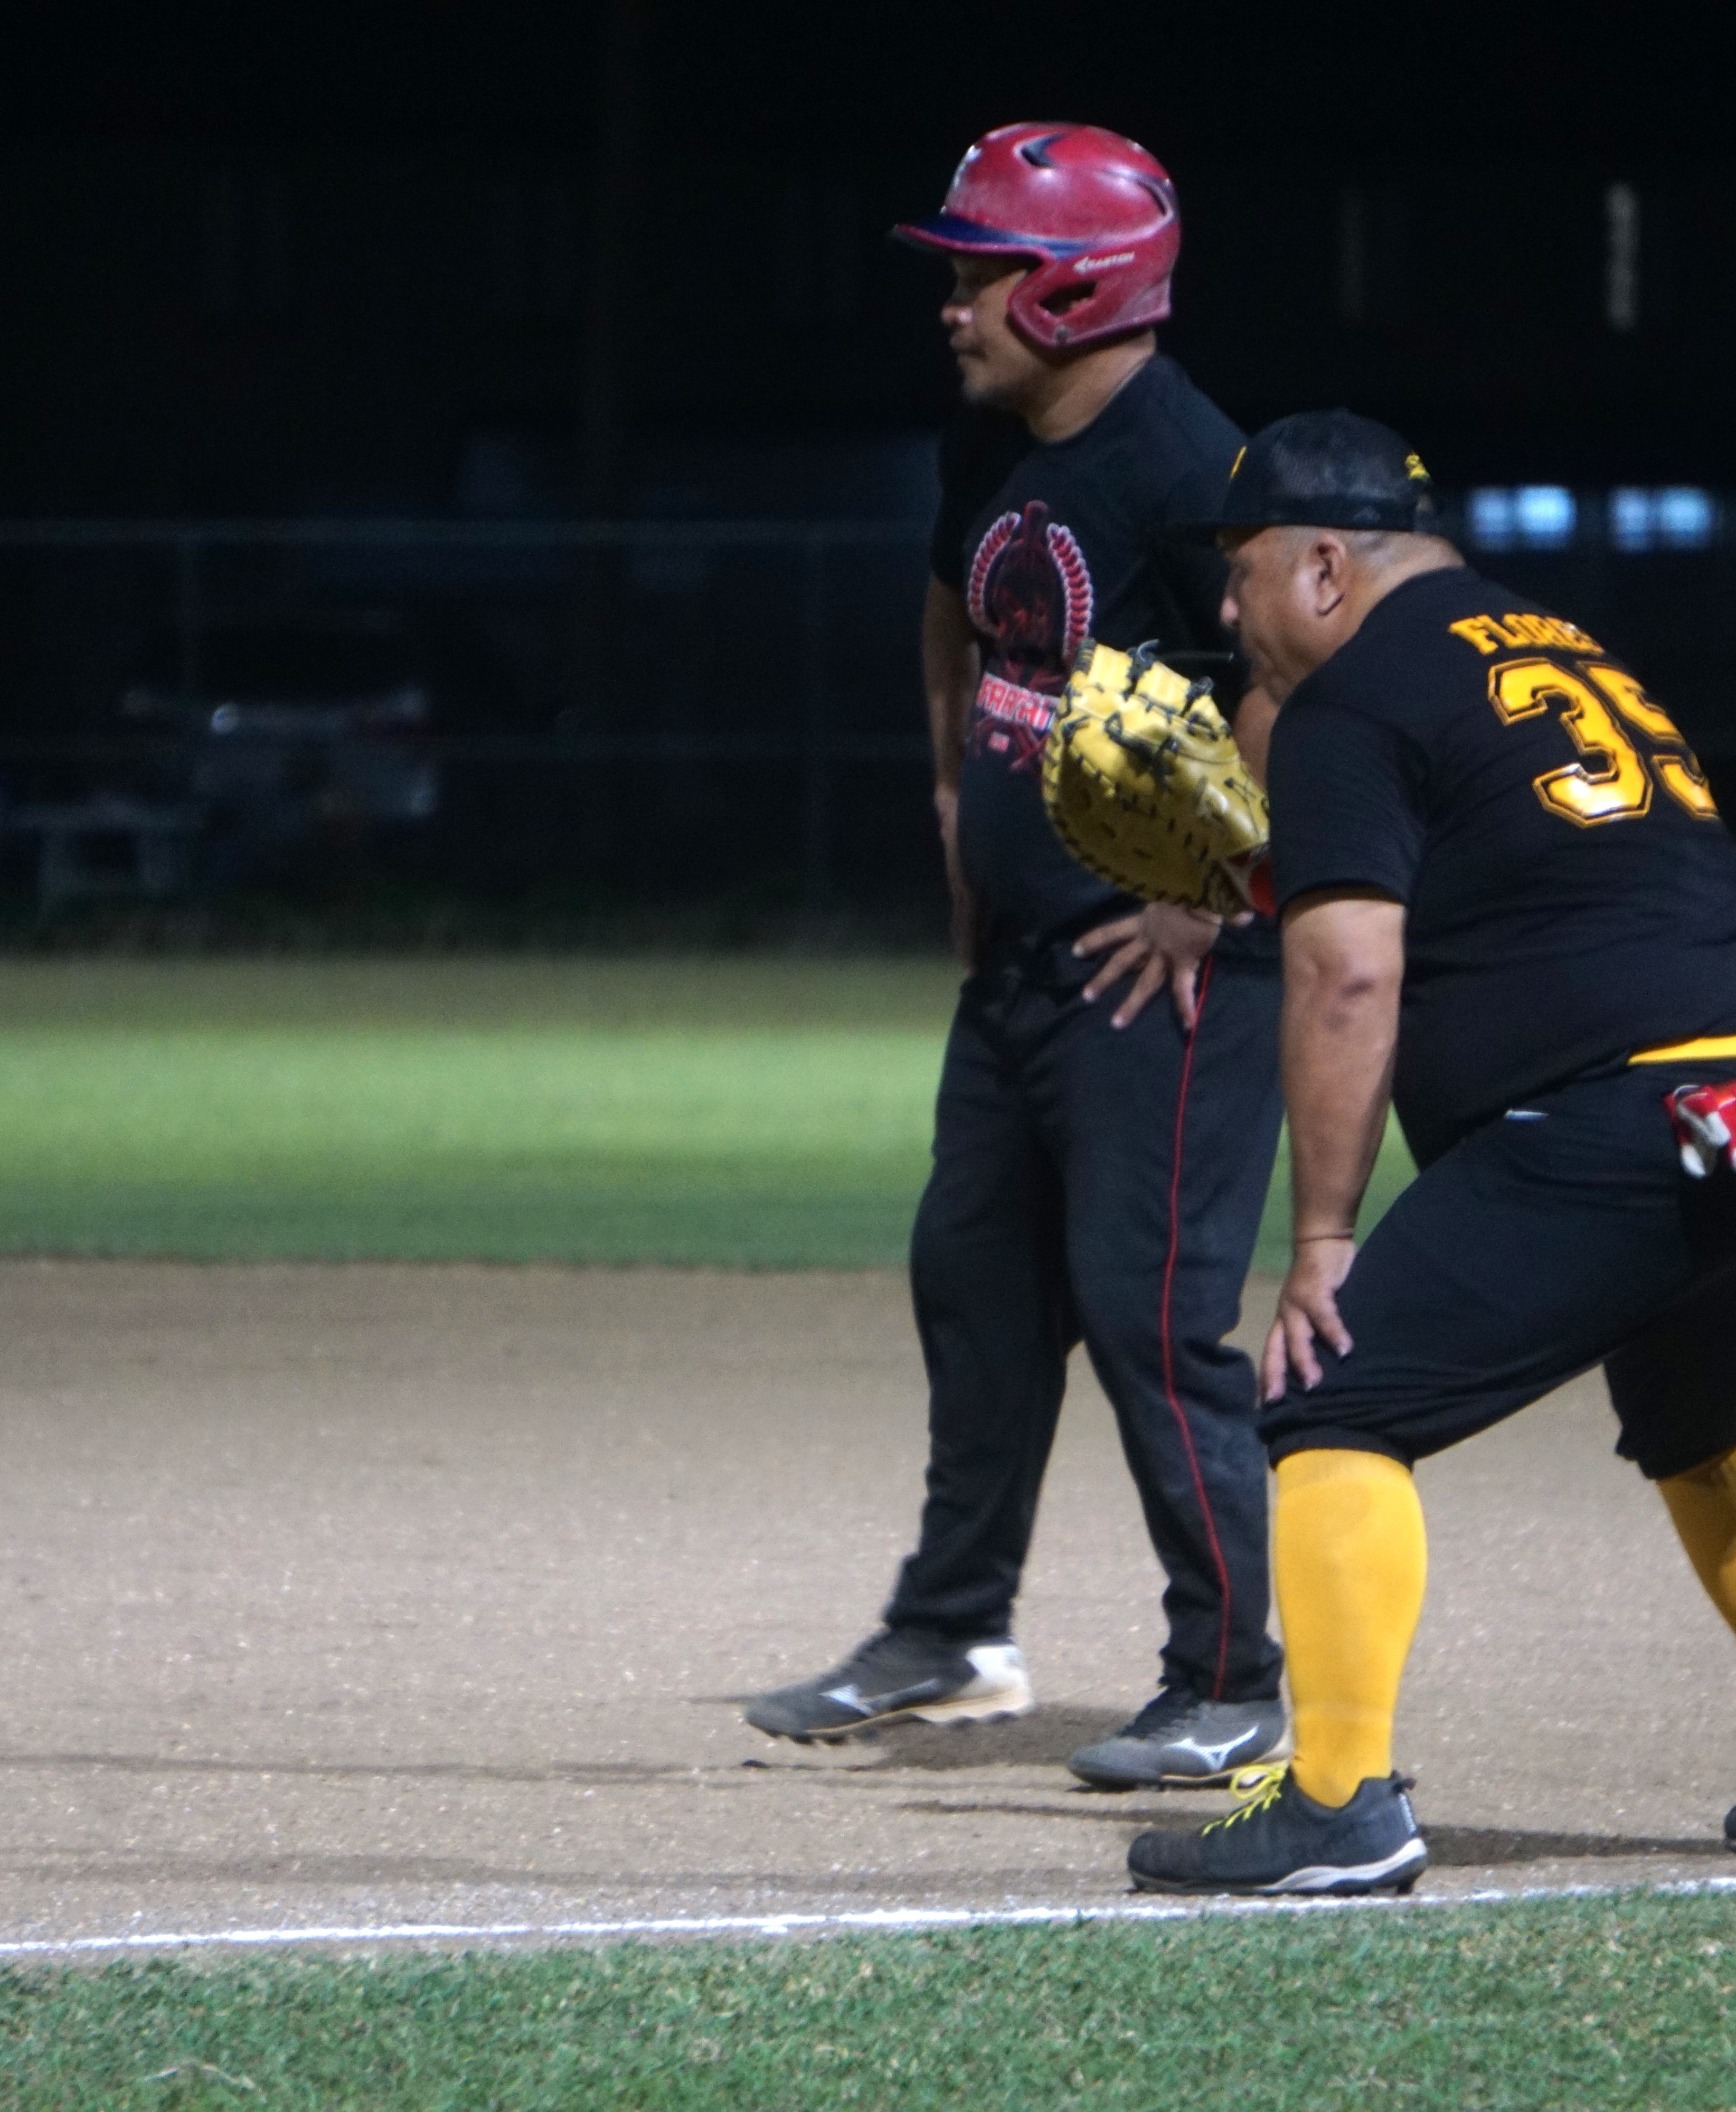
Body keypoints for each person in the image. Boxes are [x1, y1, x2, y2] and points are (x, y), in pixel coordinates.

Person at [1127, 412, 1736, 1893]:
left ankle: (1339, 1800)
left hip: (1631, 1114)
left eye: (1239, 579)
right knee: (1701, 1411)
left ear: (1320, 566)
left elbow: (1349, 974)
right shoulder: (1559, 643)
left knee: (1332, 1396)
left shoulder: (1358, 697)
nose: (1227, 616)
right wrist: (1242, 864)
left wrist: (1318, 1244)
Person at [746, 124, 1290, 1789]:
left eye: (982, 270)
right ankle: (953, 1635)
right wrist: (948, 802)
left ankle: (1238, 1678)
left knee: (1155, 1319)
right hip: (1026, 967)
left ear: (1076, 287)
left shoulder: (1194, 472)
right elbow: (953, 609)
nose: (953, 303)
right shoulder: (993, 440)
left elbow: (1309, 684)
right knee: (975, 1290)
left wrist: (1217, 897)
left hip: (1170, 977)